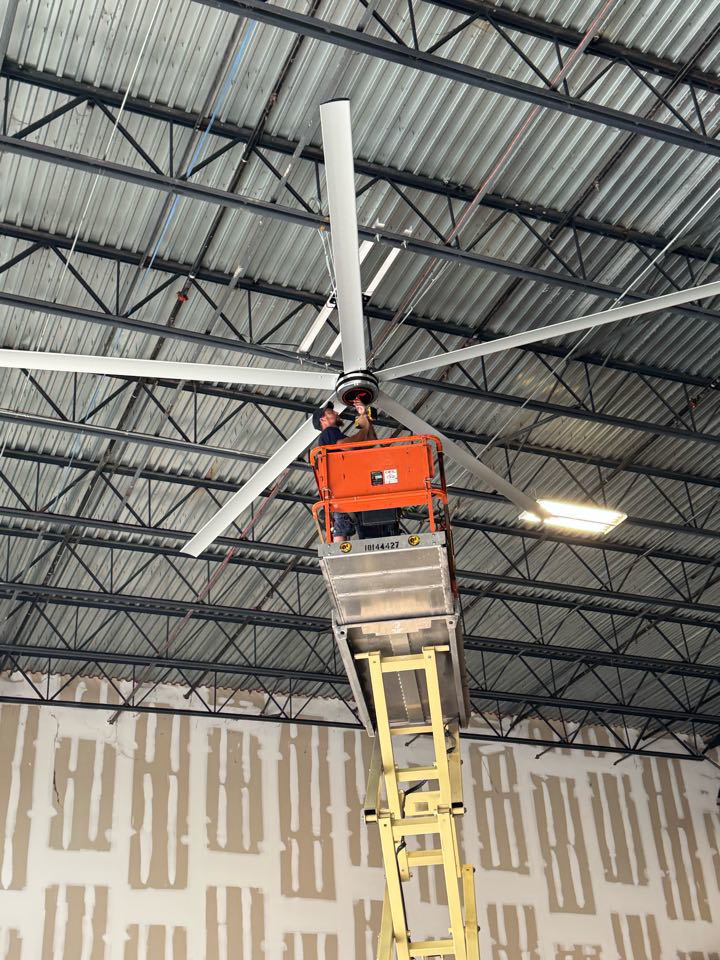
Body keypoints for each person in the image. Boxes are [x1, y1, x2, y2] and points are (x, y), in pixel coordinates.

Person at [313, 399, 376, 542]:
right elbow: (347, 446)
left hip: (351, 489)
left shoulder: (337, 436)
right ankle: (338, 554)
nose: (336, 412)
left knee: (347, 525)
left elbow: (371, 442)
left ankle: (342, 556)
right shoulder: (329, 433)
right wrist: (364, 428)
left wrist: (365, 418)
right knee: (342, 525)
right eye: (331, 412)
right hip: (341, 490)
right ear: (323, 419)